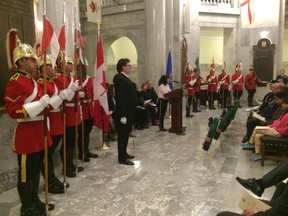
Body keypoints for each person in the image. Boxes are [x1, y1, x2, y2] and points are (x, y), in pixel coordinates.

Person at [4, 36, 54, 215]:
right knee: (25, 173)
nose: (36, 63)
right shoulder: (16, 82)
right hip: (26, 134)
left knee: (34, 171)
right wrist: (37, 106)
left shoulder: (33, 81)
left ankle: (34, 199)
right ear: (22, 61)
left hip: (39, 131)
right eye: (32, 60)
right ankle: (26, 206)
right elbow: (12, 110)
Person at [37, 55, 68, 194]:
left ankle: (52, 178)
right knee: (47, 155)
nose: (53, 68)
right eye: (49, 66)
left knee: (50, 153)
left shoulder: (52, 82)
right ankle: (49, 181)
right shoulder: (41, 83)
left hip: (57, 120)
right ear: (43, 68)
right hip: (49, 121)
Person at [217, 162, 288, 216]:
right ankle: (259, 184)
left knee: (222, 215)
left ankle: (259, 184)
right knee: (256, 203)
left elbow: (275, 214)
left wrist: (255, 214)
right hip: (279, 206)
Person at [54, 55, 84, 177]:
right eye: (69, 63)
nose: (72, 66)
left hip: (75, 112)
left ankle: (71, 163)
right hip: (67, 113)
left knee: (73, 141)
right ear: (61, 65)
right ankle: (66, 167)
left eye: (72, 64)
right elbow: (64, 97)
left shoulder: (71, 78)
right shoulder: (59, 78)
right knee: (67, 142)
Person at [240, 83, 286, 147]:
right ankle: (249, 138)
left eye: (273, 87)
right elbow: (266, 107)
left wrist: (264, 120)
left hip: (271, 123)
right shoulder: (272, 96)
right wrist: (260, 114)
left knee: (251, 122)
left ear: (279, 89)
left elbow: (276, 119)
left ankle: (251, 142)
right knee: (251, 118)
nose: (271, 89)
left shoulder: (281, 105)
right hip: (269, 119)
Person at [246, 96, 288, 161]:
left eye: (284, 103)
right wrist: (271, 125)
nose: (282, 105)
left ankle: (250, 143)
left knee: (257, 128)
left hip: (279, 132)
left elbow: (282, 126)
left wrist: (273, 127)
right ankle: (258, 154)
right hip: (276, 129)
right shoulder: (285, 112)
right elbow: (277, 121)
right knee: (257, 136)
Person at [113, 58, 138, 165]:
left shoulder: (125, 78)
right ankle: (122, 158)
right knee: (122, 135)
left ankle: (124, 152)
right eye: (129, 65)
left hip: (129, 112)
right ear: (123, 67)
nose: (130, 67)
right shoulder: (120, 79)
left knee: (126, 134)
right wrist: (123, 115)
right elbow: (121, 98)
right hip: (124, 113)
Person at [77, 58, 98, 162]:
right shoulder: (75, 79)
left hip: (89, 108)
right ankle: (82, 153)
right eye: (81, 67)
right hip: (82, 109)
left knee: (87, 132)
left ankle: (87, 150)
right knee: (82, 133)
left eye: (84, 67)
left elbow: (92, 92)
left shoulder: (89, 79)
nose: (83, 68)